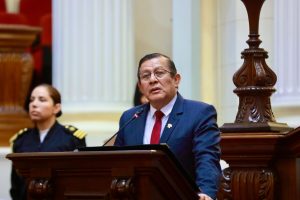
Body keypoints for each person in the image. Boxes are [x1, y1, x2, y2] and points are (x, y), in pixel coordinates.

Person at [114, 53, 221, 200]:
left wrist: (206, 193)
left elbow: (207, 158)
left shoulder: (199, 113)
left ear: (176, 80)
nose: (152, 80)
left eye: (159, 73)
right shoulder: (130, 117)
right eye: (146, 76)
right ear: (140, 86)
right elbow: (118, 164)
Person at [9, 84, 87, 200]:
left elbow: (80, 182)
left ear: (56, 108)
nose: (34, 104)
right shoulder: (21, 140)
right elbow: (16, 185)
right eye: (31, 100)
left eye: (42, 100)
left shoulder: (71, 138)